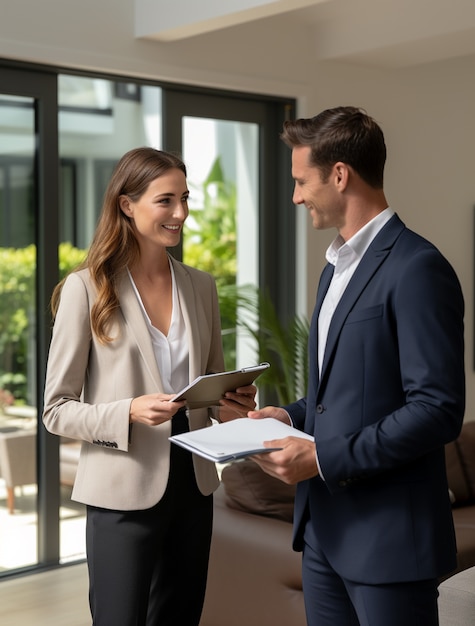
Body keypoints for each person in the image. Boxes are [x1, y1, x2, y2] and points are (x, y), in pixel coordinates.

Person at [248, 106, 465, 626]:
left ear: (340, 174)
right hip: (323, 534)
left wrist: (320, 459)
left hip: (389, 542)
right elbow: (337, 391)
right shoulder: (335, 269)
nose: (297, 196)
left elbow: (437, 409)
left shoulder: (418, 267)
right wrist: (290, 417)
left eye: (302, 181)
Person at [42, 146, 257, 626]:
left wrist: (234, 403)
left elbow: (212, 387)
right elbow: (56, 410)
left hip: (194, 485)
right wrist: (128, 411)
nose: (180, 213)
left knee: (180, 617)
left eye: (184, 198)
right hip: (122, 490)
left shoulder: (201, 286)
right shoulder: (87, 288)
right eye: (165, 200)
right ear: (126, 204)